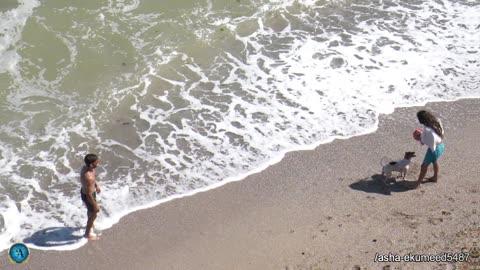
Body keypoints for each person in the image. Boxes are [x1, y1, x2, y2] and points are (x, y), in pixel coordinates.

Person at [413, 110, 445, 188]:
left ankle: (417, 184)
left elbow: (422, 142)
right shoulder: (437, 121)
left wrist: (419, 136)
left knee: (424, 166)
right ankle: (435, 177)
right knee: (434, 161)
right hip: (441, 145)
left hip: (434, 149)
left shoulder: (427, 129)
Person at [80, 153, 102, 240]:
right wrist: (95, 204)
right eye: (96, 162)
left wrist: (96, 185)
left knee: (90, 211)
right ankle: (87, 234)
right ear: (91, 164)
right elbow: (89, 194)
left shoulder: (87, 168)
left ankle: (91, 224)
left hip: (88, 192)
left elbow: (93, 179)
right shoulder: (88, 177)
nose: (98, 163)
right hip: (88, 196)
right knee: (94, 213)